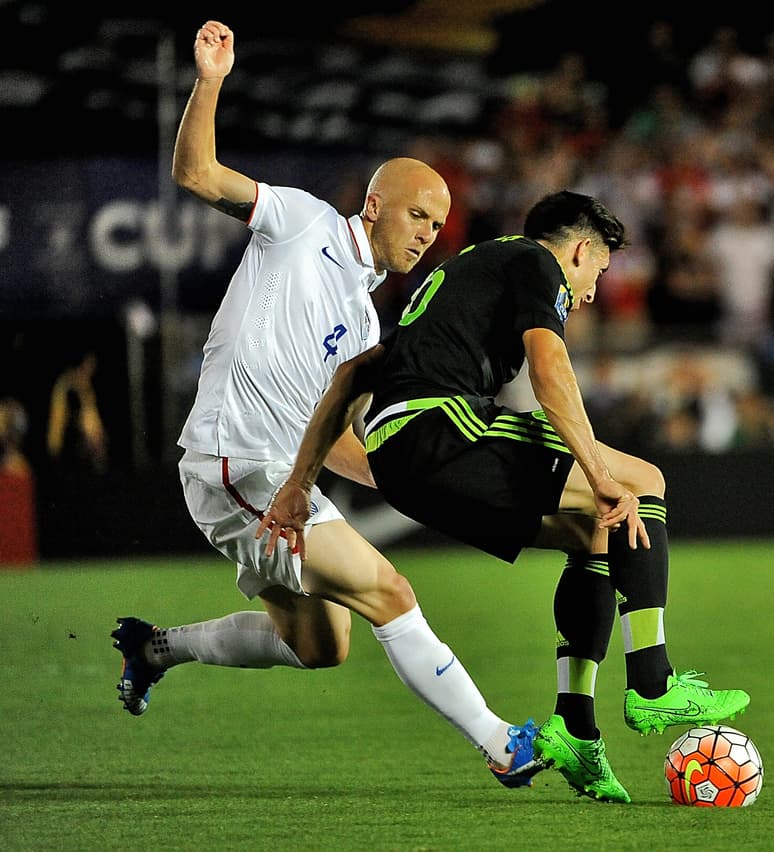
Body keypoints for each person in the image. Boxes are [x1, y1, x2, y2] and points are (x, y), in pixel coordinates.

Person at [110, 20, 543, 790]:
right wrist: (210, 79)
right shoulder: (303, 220)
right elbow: (199, 174)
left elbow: (330, 429)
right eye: (418, 215)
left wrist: (415, 483)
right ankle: (501, 740)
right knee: (390, 592)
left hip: (278, 469)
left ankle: (155, 649)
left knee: (320, 644)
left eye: (439, 226)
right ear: (374, 205)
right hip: (232, 458)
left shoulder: (369, 318)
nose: (429, 235)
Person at [257, 190, 751, 804]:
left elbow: (355, 373)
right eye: (598, 268)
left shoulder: (464, 275)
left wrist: (299, 485)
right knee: (642, 482)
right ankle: (654, 683)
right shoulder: (536, 264)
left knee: (591, 531)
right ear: (579, 249)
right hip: (440, 427)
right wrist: (598, 471)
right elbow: (549, 370)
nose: (595, 287)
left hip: (402, 458)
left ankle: (575, 727)